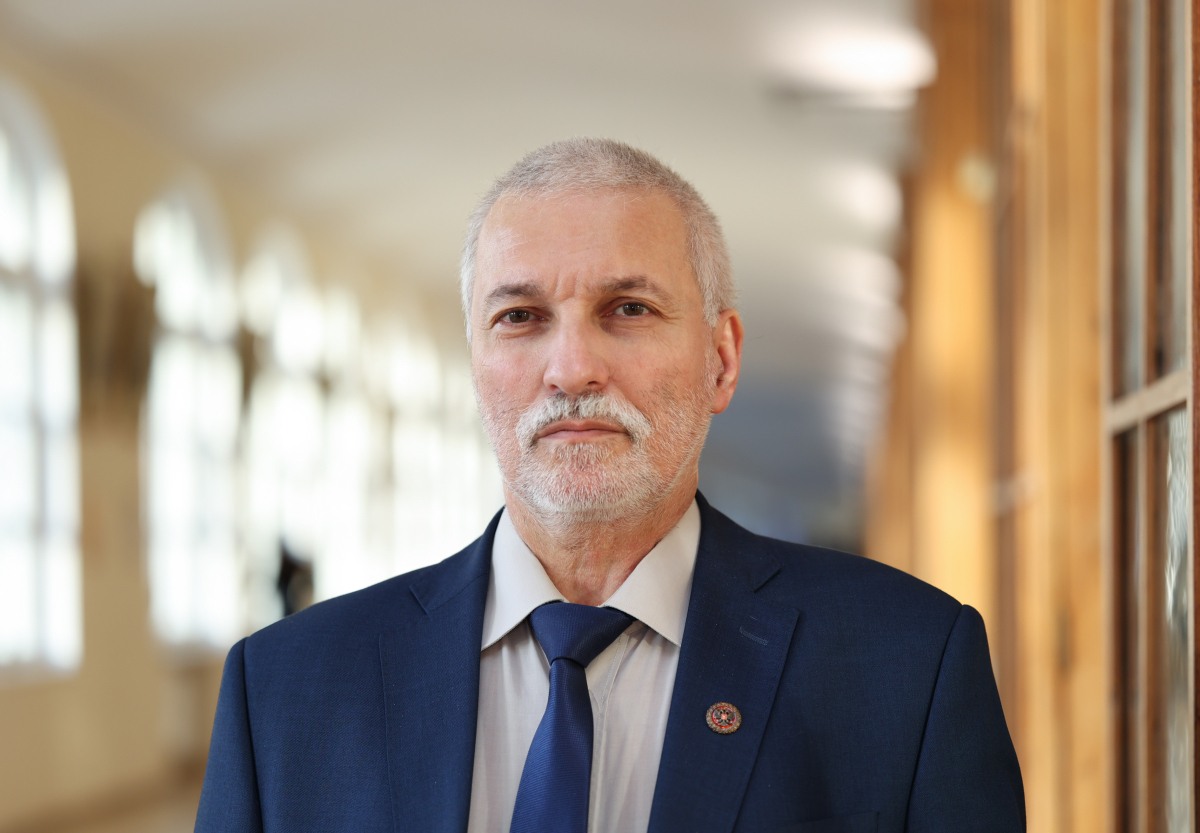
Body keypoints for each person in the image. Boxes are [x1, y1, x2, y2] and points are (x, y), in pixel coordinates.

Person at [195, 138, 1025, 833]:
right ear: (476, 365)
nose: (571, 369)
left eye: (627, 309)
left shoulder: (906, 670)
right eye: (519, 317)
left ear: (722, 358)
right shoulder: (284, 695)